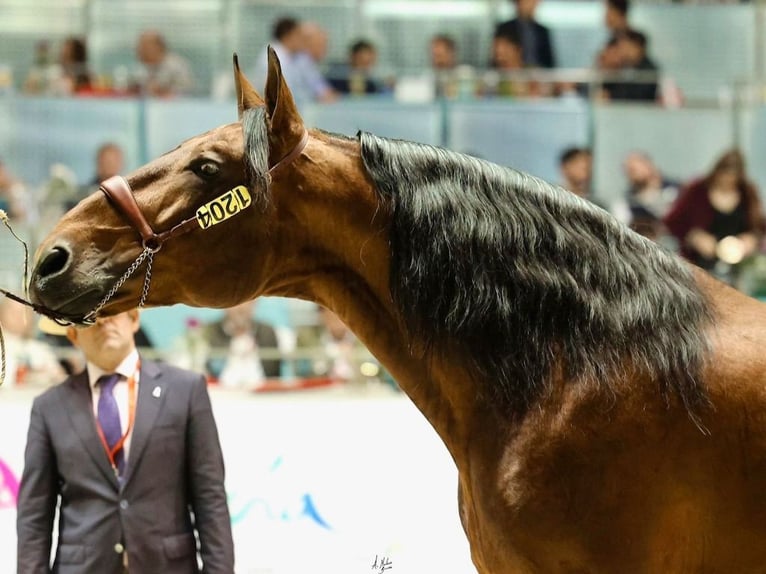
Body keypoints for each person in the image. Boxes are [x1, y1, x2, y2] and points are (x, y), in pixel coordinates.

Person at [17, 309, 234, 573]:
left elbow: (209, 496)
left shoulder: (185, 390)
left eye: (112, 311)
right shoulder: (49, 407)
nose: (104, 321)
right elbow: (34, 513)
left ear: (134, 319)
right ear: (73, 335)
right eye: (89, 317)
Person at [664, 149, 765, 280]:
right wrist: (693, 236)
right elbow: (672, 221)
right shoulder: (697, 190)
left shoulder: (748, 192)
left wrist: (751, 240)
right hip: (700, 266)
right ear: (717, 173)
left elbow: (759, 226)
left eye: (732, 180)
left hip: (739, 267)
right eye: (724, 178)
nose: (727, 183)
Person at [251, 17, 338, 105]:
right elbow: (286, 94)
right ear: (288, 36)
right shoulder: (274, 57)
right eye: (299, 35)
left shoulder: (294, 57)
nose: (302, 40)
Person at [203, 300, 281, 387]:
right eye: (236, 302)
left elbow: (274, 372)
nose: (241, 308)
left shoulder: (267, 332)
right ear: (224, 305)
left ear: (254, 303)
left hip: (262, 394)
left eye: (246, 301)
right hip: (221, 392)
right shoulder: (210, 331)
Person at [622, 150, 679, 239]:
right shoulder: (629, 203)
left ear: (648, 165)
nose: (630, 174)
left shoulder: (676, 191)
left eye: (633, 169)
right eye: (628, 171)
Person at [494, 0, 556, 69]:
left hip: (538, 74)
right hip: (511, 72)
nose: (531, 6)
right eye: (527, 2)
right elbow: (496, 57)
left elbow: (549, 61)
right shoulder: (504, 28)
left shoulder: (542, 30)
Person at [132, 30, 194, 97]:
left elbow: (188, 93)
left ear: (158, 47)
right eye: (139, 46)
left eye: (144, 46)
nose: (139, 50)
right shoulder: (140, 68)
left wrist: (163, 91)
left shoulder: (176, 66)